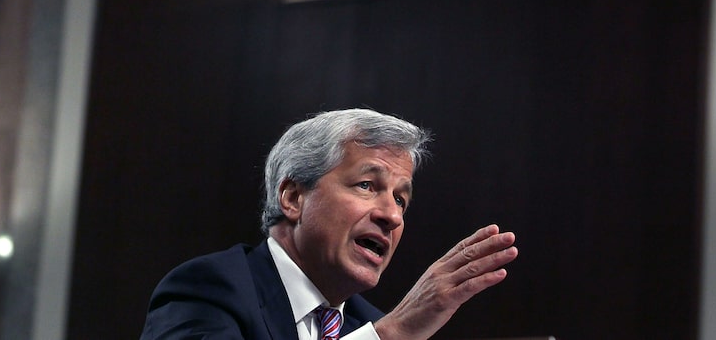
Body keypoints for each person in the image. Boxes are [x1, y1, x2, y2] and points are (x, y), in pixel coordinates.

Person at [139, 108, 518, 339]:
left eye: (401, 199)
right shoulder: (210, 289)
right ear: (293, 198)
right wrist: (390, 336)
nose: (392, 215)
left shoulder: (369, 323)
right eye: (367, 185)